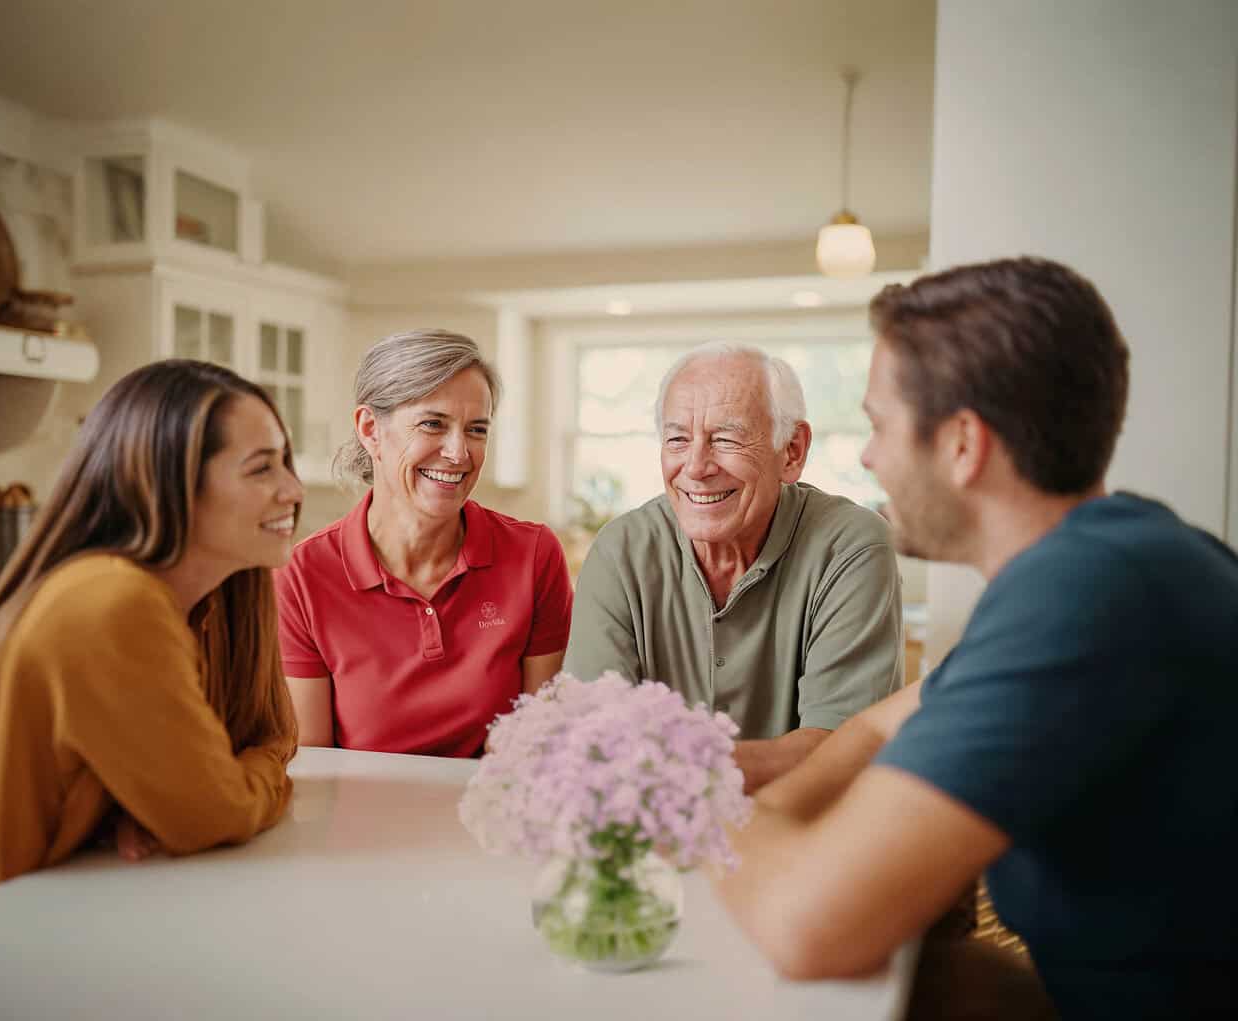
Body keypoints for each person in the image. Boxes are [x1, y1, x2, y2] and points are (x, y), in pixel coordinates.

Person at [713, 257, 1238, 1019]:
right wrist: (771, 811)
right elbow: (884, 722)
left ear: (962, 443)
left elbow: (806, 928)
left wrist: (690, 799)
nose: (868, 456)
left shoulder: (1088, 592)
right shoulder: (1114, 553)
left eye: (879, 424)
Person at [0, 360, 303, 896]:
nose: (294, 489)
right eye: (261, 469)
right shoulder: (112, 602)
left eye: (285, 461)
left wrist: (167, 794)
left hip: (64, 903)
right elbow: (214, 812)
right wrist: (201, 791)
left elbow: (271, 735)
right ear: (170, 481)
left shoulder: (223, 597)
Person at [564, 342, 903, 791]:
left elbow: (840, 752)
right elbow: (592, 738)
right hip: (649, 836)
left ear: (792, 451)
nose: (697, 466)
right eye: (678, 439)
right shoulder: (621, 549)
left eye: (726, 438)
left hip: (809, 833)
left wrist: (657, 767)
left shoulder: (851, 546)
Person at [276, 329, 572, 755]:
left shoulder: (533, 556)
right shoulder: (302, 576)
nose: (459, 452)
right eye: (433, 424)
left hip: (494, 809)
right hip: (362, 816)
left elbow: (538, 739)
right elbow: (315, 765)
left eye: (476, 429)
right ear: (370, 429)